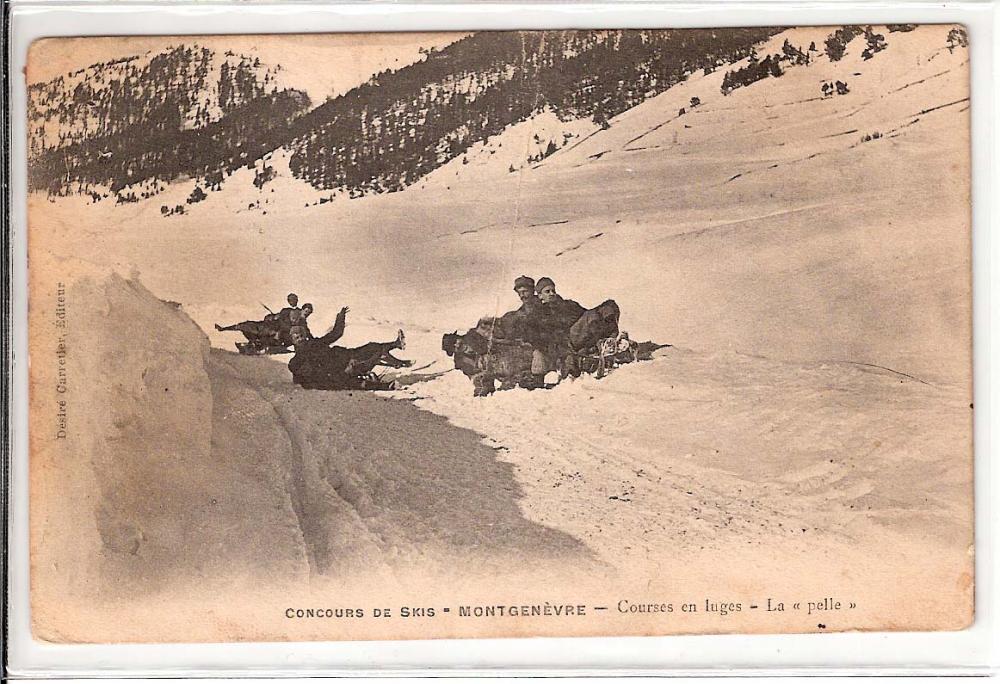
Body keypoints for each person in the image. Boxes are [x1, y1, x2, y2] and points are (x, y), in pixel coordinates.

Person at [535, 276, 587, 377]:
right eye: (547, 291)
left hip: (577, 335)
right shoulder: (538, 313)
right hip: (563, 344)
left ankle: (612, 342)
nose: (552, 294)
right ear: (540, 295)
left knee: (606, 308)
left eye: (553, 291)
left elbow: (586, 314)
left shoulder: (568, 305)